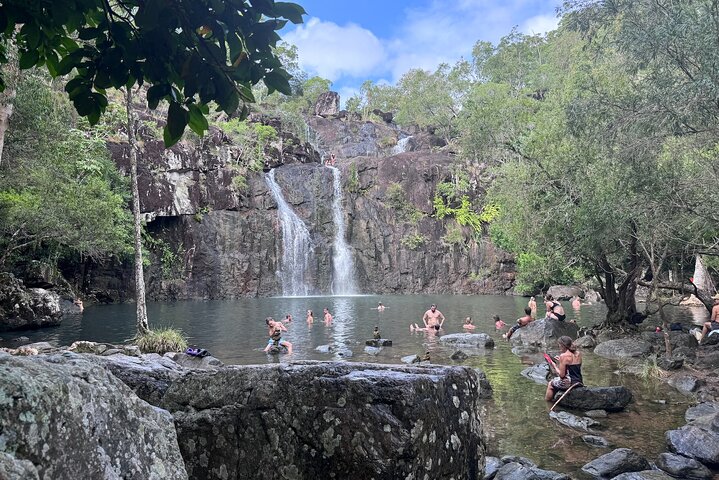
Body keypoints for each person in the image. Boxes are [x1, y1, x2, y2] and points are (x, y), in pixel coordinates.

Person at [545, 336, 583, 401]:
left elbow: (562, 376)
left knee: (550, 383)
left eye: (559, 345)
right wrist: (561, 361)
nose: (559, 347)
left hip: (570, 384)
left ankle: (548, 403)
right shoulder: (578, 353)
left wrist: (554, 366)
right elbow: (574, 366)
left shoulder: (563, 356)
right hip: (579, 381)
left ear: (562, 345)